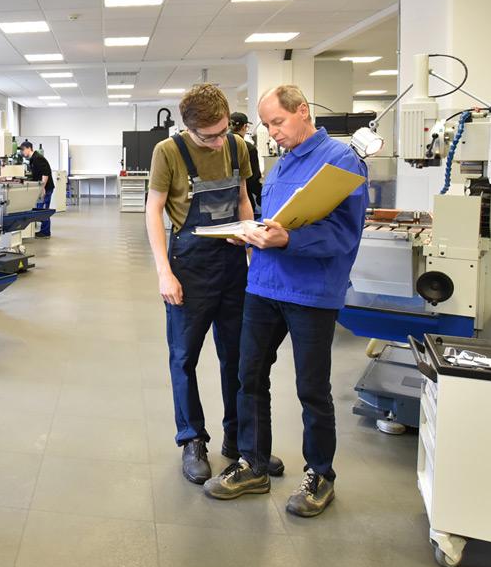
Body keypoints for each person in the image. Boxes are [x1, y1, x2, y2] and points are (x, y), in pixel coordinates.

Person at [204, 84, 369, 518]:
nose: (272, 132)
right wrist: (253, 233)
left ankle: (321, 475)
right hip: (262, 286)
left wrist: (289, 238)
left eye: (277, 122)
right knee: (249, 376)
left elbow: (343, 233)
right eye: (267, 125)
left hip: (311, 293)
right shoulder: (279, 166)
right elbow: (274, 220)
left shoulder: (340, 161)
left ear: (303, 112)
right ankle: (253, 463)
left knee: (312, 387)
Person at [145, 84, 285, 485]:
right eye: (210, 136)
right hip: (188, 266)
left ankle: (239, 441)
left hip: (232, 265)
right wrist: (163, 272)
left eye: (224, 131)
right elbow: (153, 211)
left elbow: (242, 199)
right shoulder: (168, 152)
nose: (219, 141)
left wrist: (250, 249)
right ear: (189, 128)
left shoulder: (238, 147)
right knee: (184, 357)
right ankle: (192, 439)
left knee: (238, 357)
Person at [229, 111, 263, 213]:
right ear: (244, 127)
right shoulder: (248, 148)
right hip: (244, 200)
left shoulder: (219, 145)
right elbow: (253, 180)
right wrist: (261, 194)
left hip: (222, 202)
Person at [21, 140, 55, 237]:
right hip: (41, 187)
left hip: (46, 188)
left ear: (29, 148)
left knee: (43, 211)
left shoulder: (38, 158)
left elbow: (45, 174)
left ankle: (45, 232)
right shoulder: (33, 159)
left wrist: (42, 188)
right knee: (40, 209)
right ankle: (44, 231)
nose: (22, 153)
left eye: (23, 150)